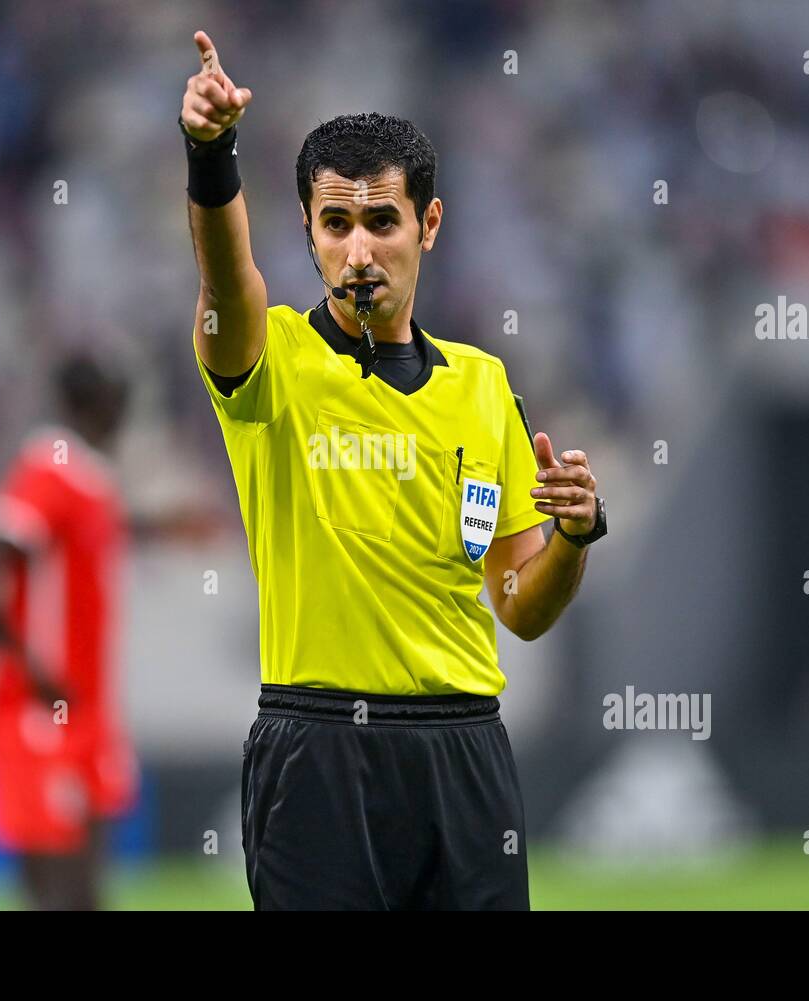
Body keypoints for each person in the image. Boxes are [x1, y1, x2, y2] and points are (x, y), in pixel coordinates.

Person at [180, 29, 608, 910]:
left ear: (430, 223)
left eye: (382, 220)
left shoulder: (484, 387)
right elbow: (227, 282)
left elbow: (521, 606)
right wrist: (211, 154)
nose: (359, 250)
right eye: (335, 224)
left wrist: (570, 538)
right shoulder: (274, 360)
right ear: (307, 229)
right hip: (319, 747)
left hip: (464, 753)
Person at [0, 353, 139, 910]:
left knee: (85, 895)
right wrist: (30, 670)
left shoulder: (92, 479)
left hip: (88, 711)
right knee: (62, 894)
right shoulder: (48, 469)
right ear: (92, 402)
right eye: (117, 395)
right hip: (42, 713)